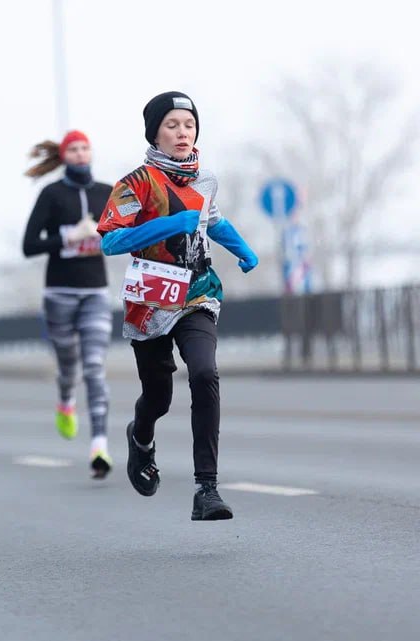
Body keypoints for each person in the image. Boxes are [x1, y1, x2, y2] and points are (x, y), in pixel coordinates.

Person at [97, 91, 259, 520]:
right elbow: (110, 239)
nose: (182, 132)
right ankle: (141, 437)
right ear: (155, 133)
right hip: (150, 300)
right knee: (159, 397)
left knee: (204, 373)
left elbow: (214, 221)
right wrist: (168, 224)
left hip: (198, 294)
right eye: (172, 125)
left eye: (188, 125)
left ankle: (207, 489)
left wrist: (242, 249)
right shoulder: (135, 184)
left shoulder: (205, 180)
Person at [22, 130, 115, 478]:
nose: (79, 154)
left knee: (94, 367)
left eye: (84, 148)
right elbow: (29, 245)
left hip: (95, 292)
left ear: (91, 153)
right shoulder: (51, 194)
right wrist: (68, 236)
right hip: (59, 293)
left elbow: (124, 236)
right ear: (64, 156)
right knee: (69, 366)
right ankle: (65, 399)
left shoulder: (106, 193)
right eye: (73, 149)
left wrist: (103, 235)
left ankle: (100, 446)